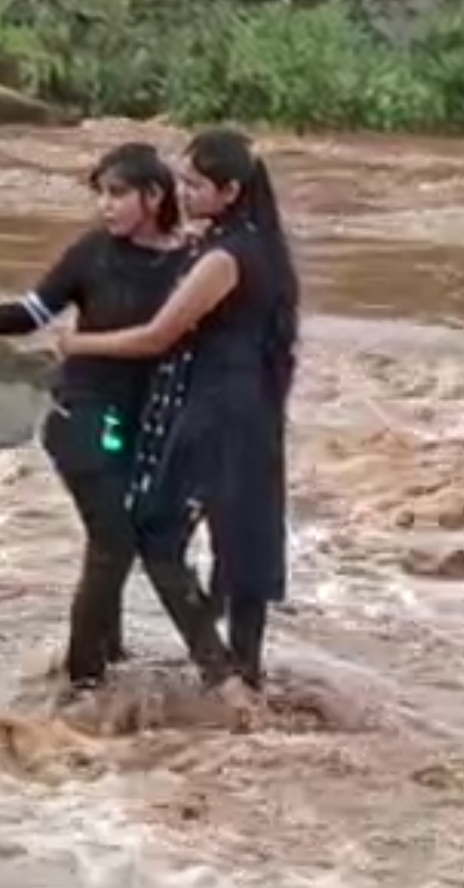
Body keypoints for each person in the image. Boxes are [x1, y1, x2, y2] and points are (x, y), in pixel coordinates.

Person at [0, 143, 227, 695]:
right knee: (113, 538)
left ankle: (111, 652)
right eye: (100, 193)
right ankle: (84, 684)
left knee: (131, 536)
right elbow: (30, 314)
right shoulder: (91, 254)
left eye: (117, 193)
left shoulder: (193, 262)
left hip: (145, 423)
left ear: (154, 196)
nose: (105, 205)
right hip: (79, 412)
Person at [58, 129, 300, 700]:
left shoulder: (222, 258)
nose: (182, 193)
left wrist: (78, 344)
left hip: (213, 413)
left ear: (230, 189)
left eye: (194, 184)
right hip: (253, 411)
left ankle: (217, 673)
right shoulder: (259, 246)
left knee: (157, 534)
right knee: (243, 542)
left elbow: (156, 337)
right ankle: (247, 675)